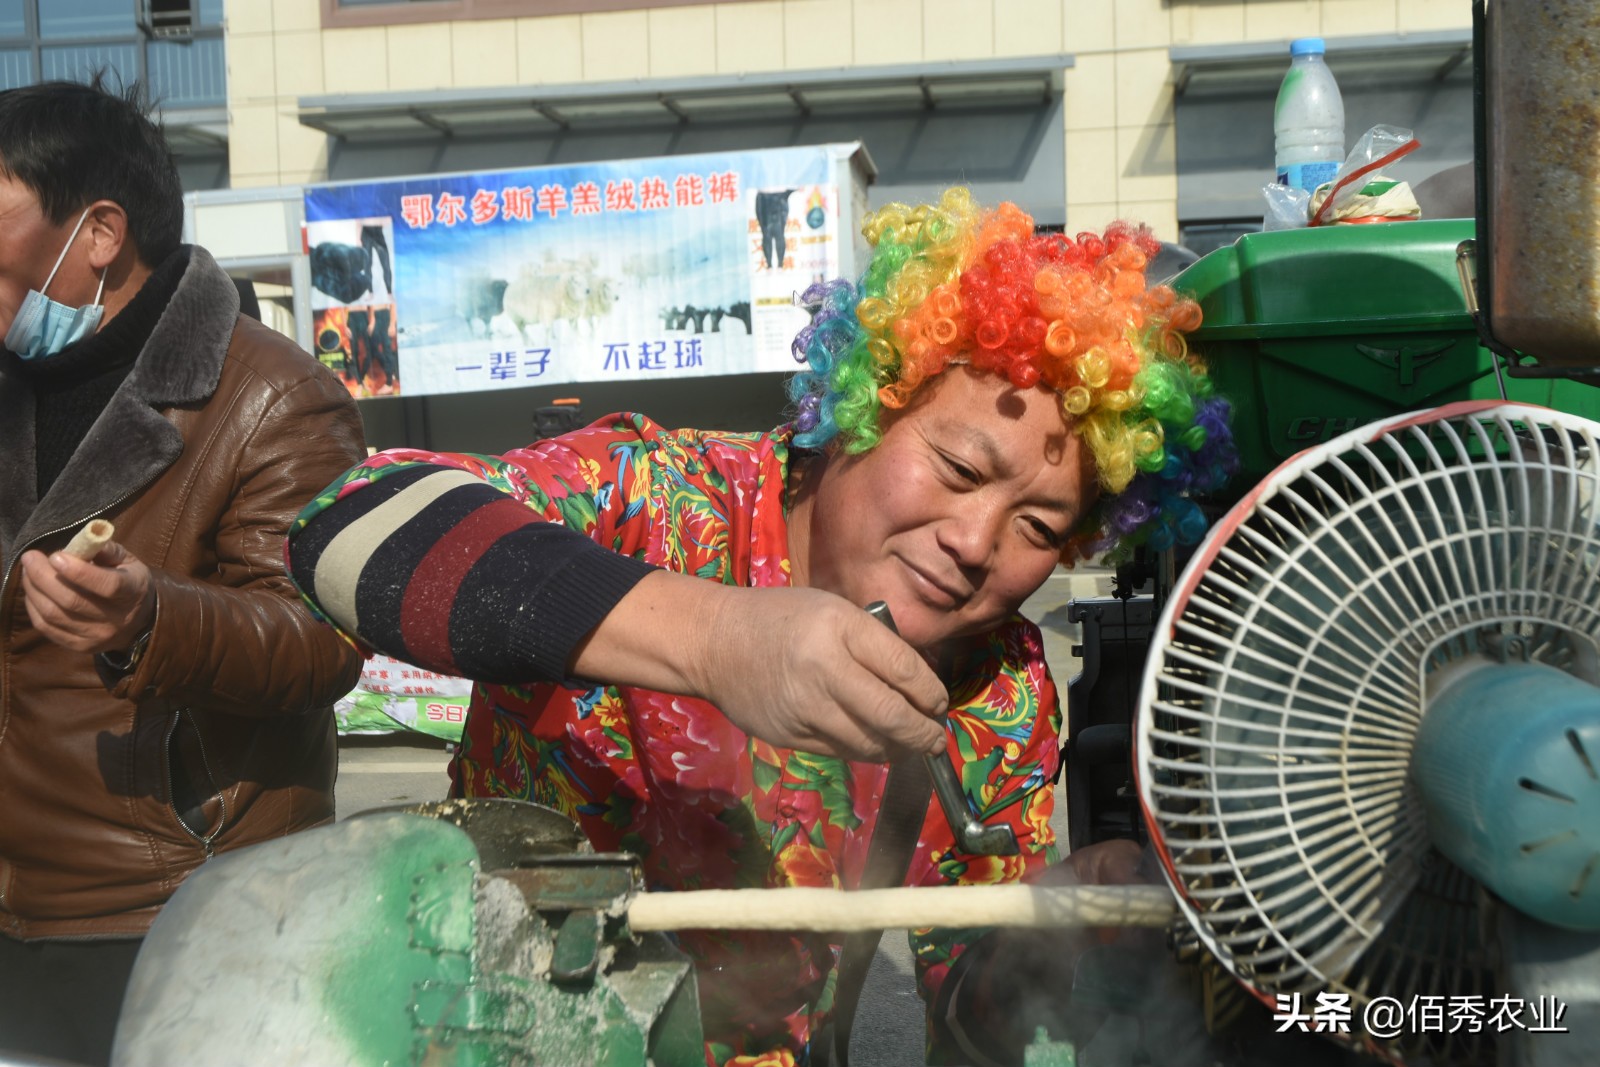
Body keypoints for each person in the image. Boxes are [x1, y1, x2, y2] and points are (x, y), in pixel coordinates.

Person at [287, 187, 1237, 1066]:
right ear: (864, 406)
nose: (975, 542)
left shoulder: (998, 685)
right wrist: (718, 638)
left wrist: (1050, 928)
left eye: (1037, 527)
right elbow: (351, 524)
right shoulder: (656, 497)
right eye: (957, 468)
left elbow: (968, 1014)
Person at [0, 78, 366, 1065]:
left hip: (177, 904)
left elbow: (322, 639)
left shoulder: (275, 395)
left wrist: (147, 618)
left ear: (99, 232)